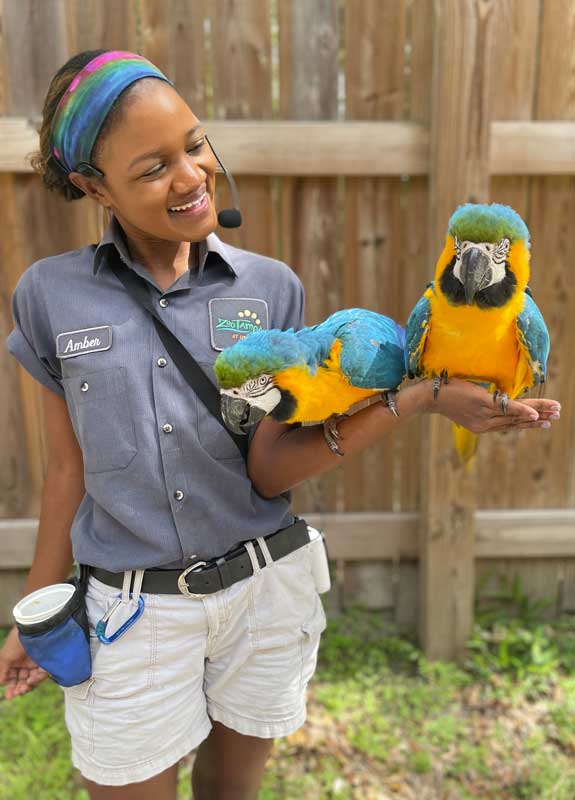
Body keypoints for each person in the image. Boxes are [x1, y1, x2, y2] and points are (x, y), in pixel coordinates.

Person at [0, 49, 561, 800]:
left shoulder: (270, 288)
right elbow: (65, 471)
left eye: (195, 144)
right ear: (91, 186)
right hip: (130, 615)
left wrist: (420, 399)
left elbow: (268, 470)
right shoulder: (50, 296)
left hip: (261, 599)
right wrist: (34, 617)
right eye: (154, 168)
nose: (191, 176)